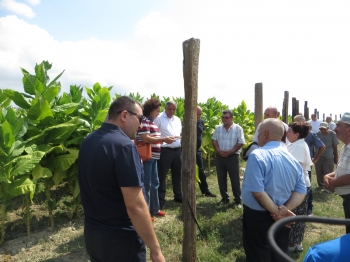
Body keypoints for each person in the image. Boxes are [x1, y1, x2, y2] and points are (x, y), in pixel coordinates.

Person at [78, 96, 165, 262]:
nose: (141, 125)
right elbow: (135, 206)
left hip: (93, 235)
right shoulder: (124, 146)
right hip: (121, 241)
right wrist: (155, 250)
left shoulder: (88, 140)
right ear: (124, 115)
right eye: (139, 119)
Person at [242, 118, 306, 262]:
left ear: (265, 134)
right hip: (282, 217)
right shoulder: (292, 159)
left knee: (258, 254)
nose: (257, 137)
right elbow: (301, 191)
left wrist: (277, 212)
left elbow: (257, 192)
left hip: (259, 217)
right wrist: (284, 211)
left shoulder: (257, 155)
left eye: (258, 133)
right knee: (279, 253)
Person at [136, 98, 176, 220]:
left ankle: (155, 209)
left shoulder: (152, 122)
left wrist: (166, 139)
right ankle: (146, 213)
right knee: (147, 185)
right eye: (157, 110)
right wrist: (164, 139)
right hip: (147, 157)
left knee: (155, 183)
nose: (158, 113)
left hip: (154, 157)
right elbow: (145, 138)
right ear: (151, 110)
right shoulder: (145, 121)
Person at [286, 122, 313, 252]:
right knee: (299, 214)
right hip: (300, 185)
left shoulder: (298, 147)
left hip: (298, 186)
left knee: (295, 214)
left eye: (289, 131)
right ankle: (297, 242)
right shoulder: (297, 144)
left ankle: (293, 243)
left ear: (296, 134)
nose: (287, 133)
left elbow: (293, 169)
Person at [294, 115, 325, 217]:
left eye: (297, 122)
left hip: (306, 164)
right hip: (295, 164)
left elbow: (321, 146)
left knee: (307, 185)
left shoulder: (310, 134)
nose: (295, 124)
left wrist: (315, 159)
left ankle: (309, 207)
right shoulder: (293, 135)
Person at [212, 109, 245, 207]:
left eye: (226, 117)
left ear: (232, 118)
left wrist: (231, 151)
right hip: (220, 157)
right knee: (221, 178)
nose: (224, 119)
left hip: (232, 157)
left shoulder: (238, 129)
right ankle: (224, 198)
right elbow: (214, 140)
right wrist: (218, 150)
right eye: (222, 117)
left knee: (235, 179)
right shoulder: (218, 128)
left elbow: (241, 142)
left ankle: (237, 200)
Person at [324, 112, 350, 233]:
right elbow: (343, 169)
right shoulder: (346, 147)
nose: (335, 128)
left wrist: (332, 183)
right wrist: (328, 176)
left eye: (339, 125)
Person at [154, 101, 182, 209]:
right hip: (164, 150)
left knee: (177, 174)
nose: (172, 111)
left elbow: (179, 134)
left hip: (177, 150)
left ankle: (178, 195)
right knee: (162, 175)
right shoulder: (159, 118)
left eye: (174, 109)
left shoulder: (177, 119)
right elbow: (155, 134)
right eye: (170, 109)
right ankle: (161, 199)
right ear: (165, 108)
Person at [196, 106, 216, 197]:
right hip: (186, 151)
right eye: (197, 114)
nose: (198, 116)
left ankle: (205, 191)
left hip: (197, 150)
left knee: (201, 171)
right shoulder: (185, 121)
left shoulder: (201, 122)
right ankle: (182, 193)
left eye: (200, 114)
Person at [315, 122, 339, 191]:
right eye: (321, 129)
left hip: (328, 155)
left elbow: (335, 146)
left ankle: (329, 187)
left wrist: (336, 157)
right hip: (319, 155)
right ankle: (320, 184)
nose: (323, 131)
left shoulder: (332, 134)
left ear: (328, 128)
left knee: (328, 171)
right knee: (319, 171)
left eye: (324, 129)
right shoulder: (317, 134)